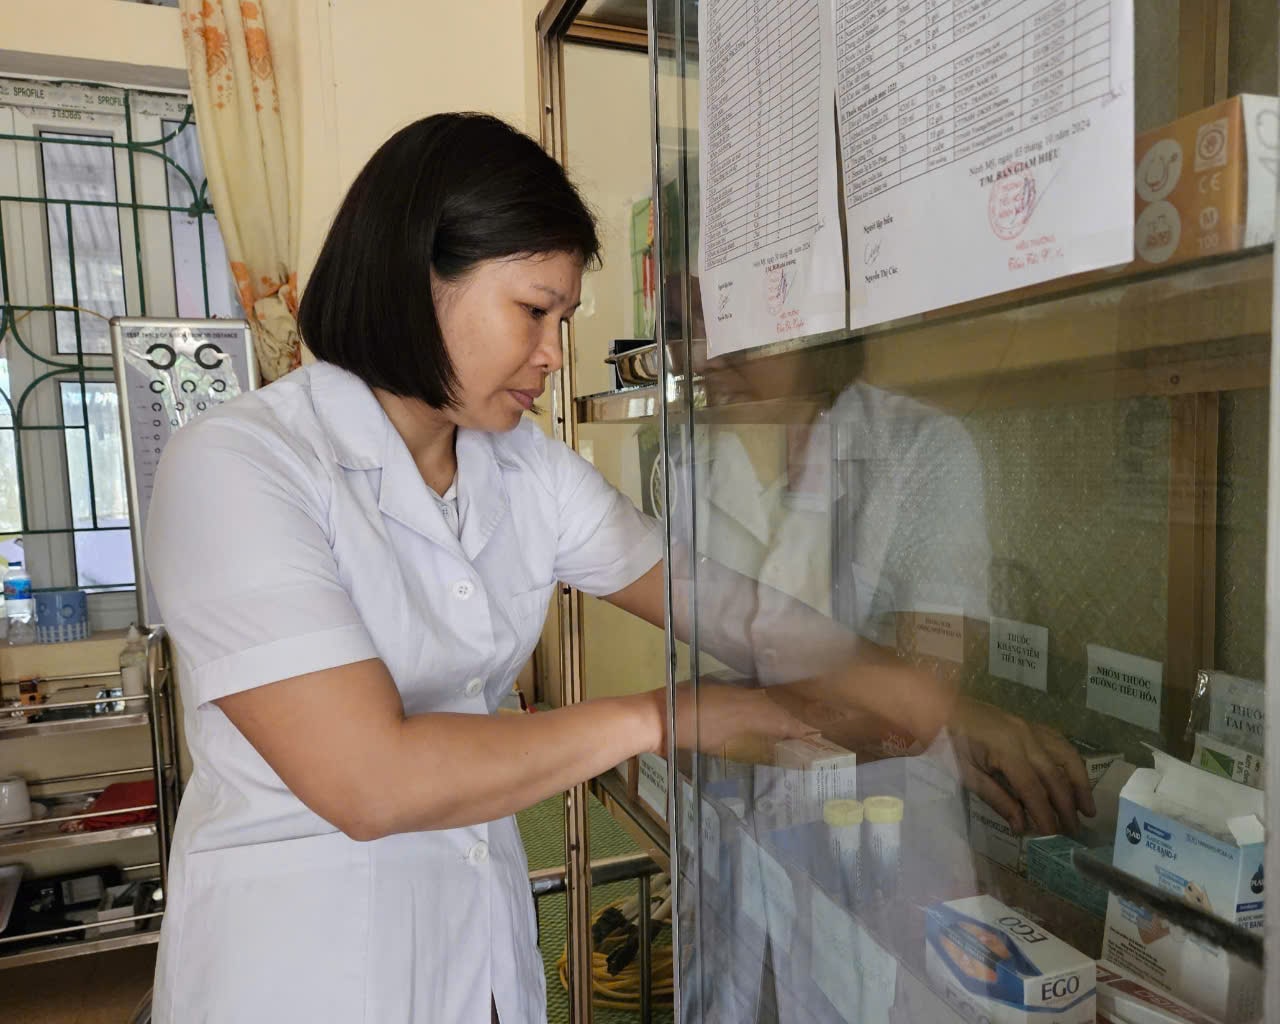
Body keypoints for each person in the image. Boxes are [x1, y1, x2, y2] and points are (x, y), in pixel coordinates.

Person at [144, 113, 1088, 1024]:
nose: (554, 355)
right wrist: (660, 718)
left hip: (478, 939)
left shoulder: (521, 470)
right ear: (413, 279)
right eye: (533, 311)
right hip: (302, 965)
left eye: (564, 316)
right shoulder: (238, 466)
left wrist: (948, 706)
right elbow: (369, 779)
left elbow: (735, 614)